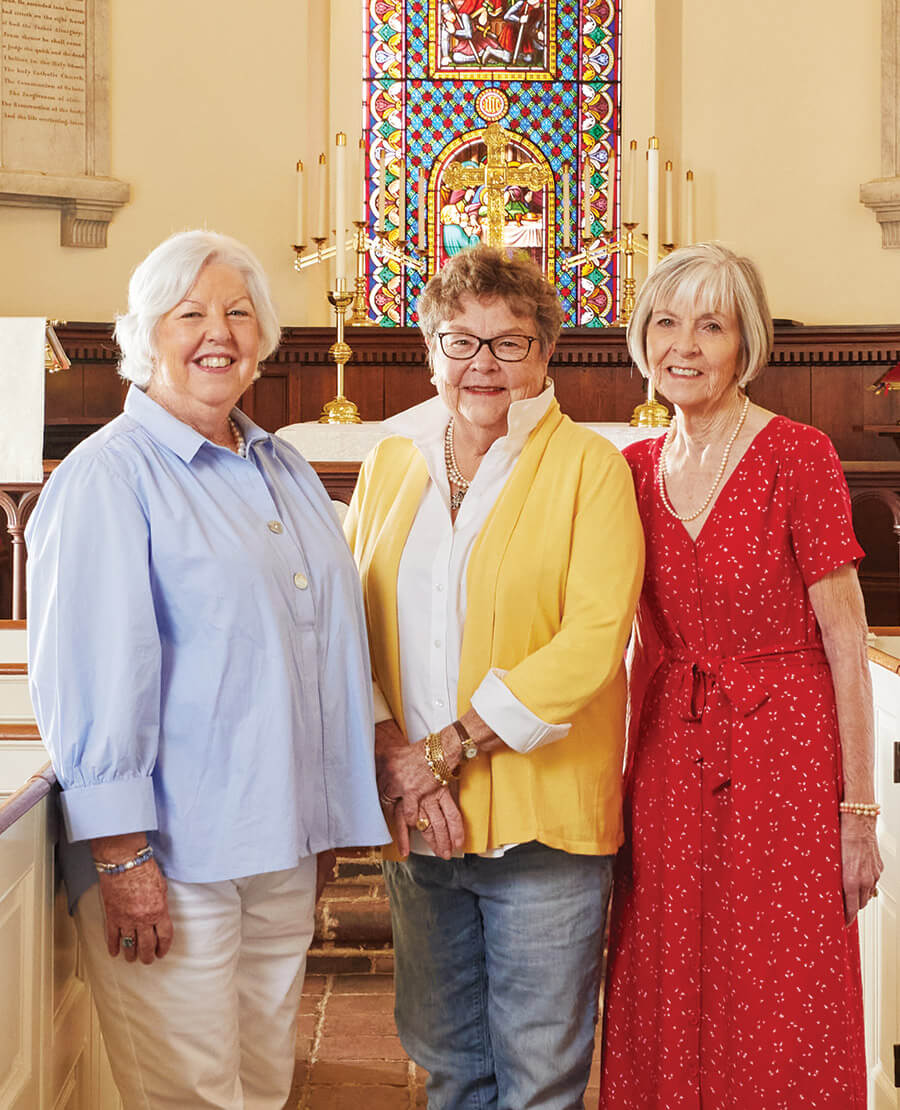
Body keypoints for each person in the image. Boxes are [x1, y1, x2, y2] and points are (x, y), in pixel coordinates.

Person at [26, 230, 389, 1109]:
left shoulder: (282, 466)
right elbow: (92, 674)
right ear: (146, 332)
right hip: (169, 854)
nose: (217, 332)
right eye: (190, 314)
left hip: (275, 839)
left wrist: (326, 813)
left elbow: (325, 647)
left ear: (263, 337)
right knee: (188, 1097)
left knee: (261, 1086)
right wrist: (122, 856)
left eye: (238, 313)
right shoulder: (109, 476)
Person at [344, 244, 645, 1109]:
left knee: (539, 1076)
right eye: (460, 341)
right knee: (448, 1064)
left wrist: (439, 752)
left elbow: (592, 640)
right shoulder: (390, 464)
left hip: (543, 829)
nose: (483, 363)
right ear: (430, 352)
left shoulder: (590, 468)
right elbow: (348, 628)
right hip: (419, 820)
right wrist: (395, 755)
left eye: (510, 343)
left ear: (545, 355)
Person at [599, 242, 883, 1108]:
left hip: (785, 760)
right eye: (666, 322)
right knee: (664, 970)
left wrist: (858, 815)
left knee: (778, 982)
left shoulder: (800, 455)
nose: (683, 345)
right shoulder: (632, 471)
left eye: (711, 326)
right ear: (643, 338)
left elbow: (847, 643)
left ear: (745, 343)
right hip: (666, 757)